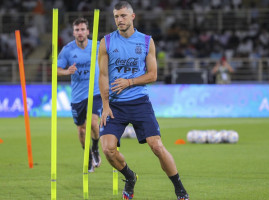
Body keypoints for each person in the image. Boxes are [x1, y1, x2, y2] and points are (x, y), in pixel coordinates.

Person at [98, 2, 189, 200]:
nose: (119, 20)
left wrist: (129, 82)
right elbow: (103, 76)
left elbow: (153, 75)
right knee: (108, 149)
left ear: (132, 17)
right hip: (114, 105)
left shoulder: (147, 41)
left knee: (156, 146)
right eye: (116, 16)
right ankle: (130, 177)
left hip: (139, 102)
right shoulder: (106, 42)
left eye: (123, 15)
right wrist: (105, 106)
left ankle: (179, 188)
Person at [57, 17, 102, 173]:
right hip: (77, 96)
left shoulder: (97, 45)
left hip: (95, 92)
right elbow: (56, 69)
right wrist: (66, 71)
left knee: (93, 122)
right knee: (82, 130)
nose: (80, 32)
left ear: (87, 31)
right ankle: (88, 155)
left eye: (83, 29)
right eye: (77, 30)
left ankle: (96, 148)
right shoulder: (67, 50)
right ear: (73, 32)